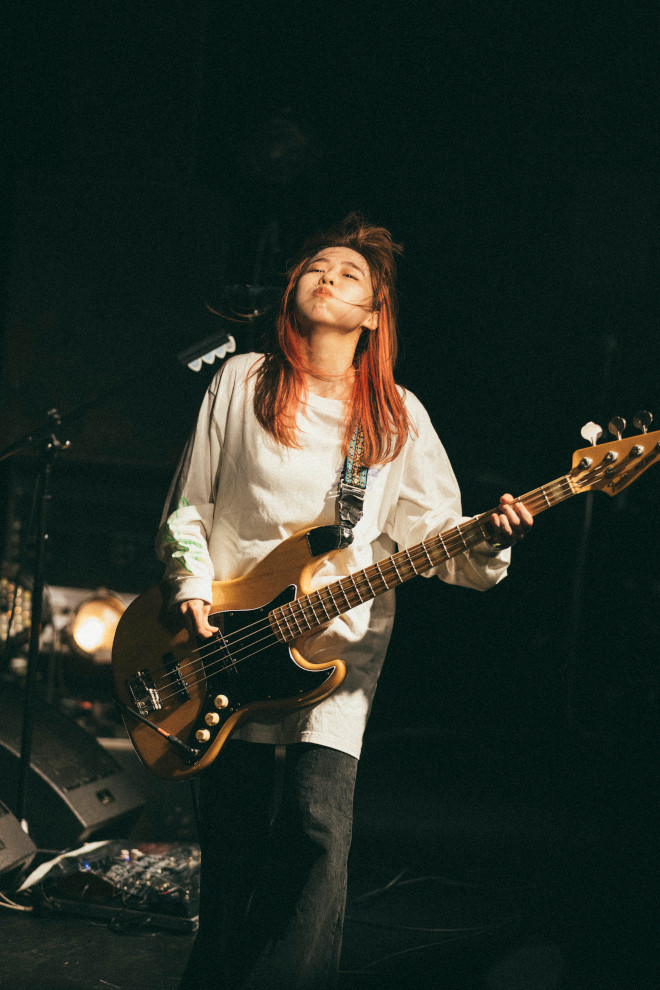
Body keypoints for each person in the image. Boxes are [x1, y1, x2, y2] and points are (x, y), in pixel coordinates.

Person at [156, 214, 533, 989]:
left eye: (349, 273)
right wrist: (191, 587)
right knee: (232, 841)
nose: (326, 276)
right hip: (227, 640)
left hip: (336, 653)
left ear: (373, 314)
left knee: (315, 828)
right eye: (315, 266)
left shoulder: (396, 415)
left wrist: (490, 538)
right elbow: (189, 505)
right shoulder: (242, 380)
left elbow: (439, 542)